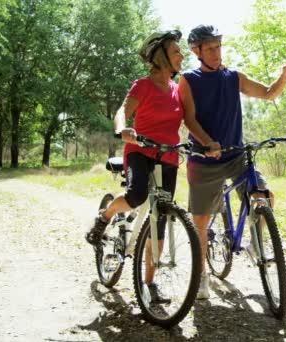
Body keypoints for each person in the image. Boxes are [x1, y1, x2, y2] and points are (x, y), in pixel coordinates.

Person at [178, 24, 286, 300]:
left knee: (263, 194)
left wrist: (285, 76)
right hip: (203, 159)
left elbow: (269, 93)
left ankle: (256, 241)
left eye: (218, 46)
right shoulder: (189, 79)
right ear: (196, 51)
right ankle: (201, 276)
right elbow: (189, 118)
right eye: (209, 48)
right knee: (200, 221)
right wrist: (208, 141)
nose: (216, 52)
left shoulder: (233, 77)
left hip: (235, 155)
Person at [85, 30, 185, 304]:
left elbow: (193, 121)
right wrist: (122, 129)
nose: (182, 55)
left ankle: (149, 283)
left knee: (161, 216)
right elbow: (122, 111)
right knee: (137, 195)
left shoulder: (179, 90)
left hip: (168, 156)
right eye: (176, 51)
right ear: (161, 57)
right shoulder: (142, 85)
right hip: (140, 151)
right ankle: (105, 217)